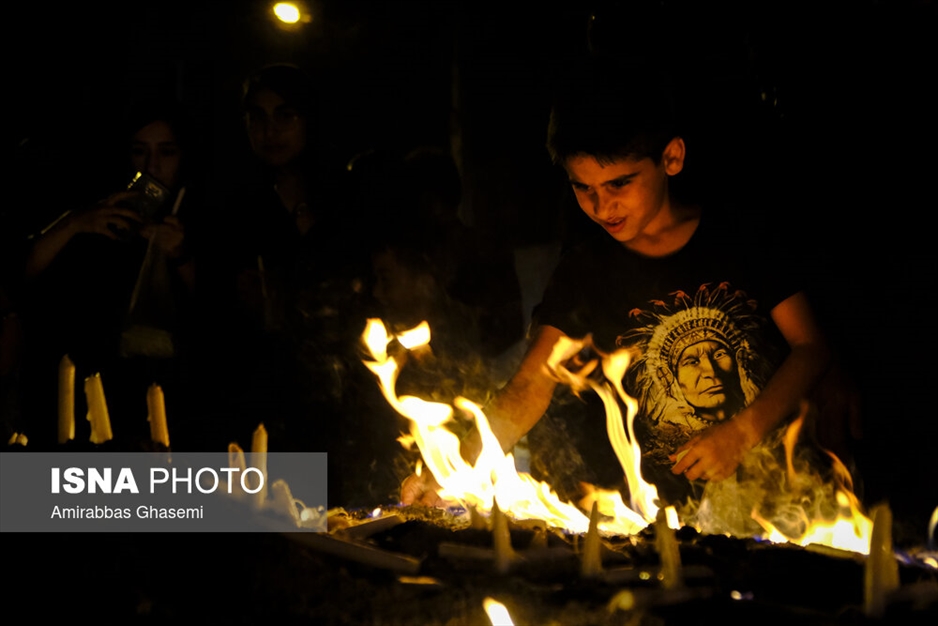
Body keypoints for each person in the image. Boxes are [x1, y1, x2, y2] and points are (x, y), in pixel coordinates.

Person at [401, 57, 842, 511]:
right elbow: (530, 385)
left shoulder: (740, 238)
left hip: (785, 497)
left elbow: (810, 347)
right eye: (583, 188)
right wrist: (450, 469)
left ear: (671, 157)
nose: (601, 205)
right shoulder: (585, 271)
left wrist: (741, 433)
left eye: (619, 184)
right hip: (668, 516)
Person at [15, 97, 201, 449]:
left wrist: (179, 255)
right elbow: (22, 277)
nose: (152, 167)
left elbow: (217, 315)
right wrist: (75, 224)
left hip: (171, 409)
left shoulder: (199, 221)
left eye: (167, 152)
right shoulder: (97, 218)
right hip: (88, 409)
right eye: (139, 152)